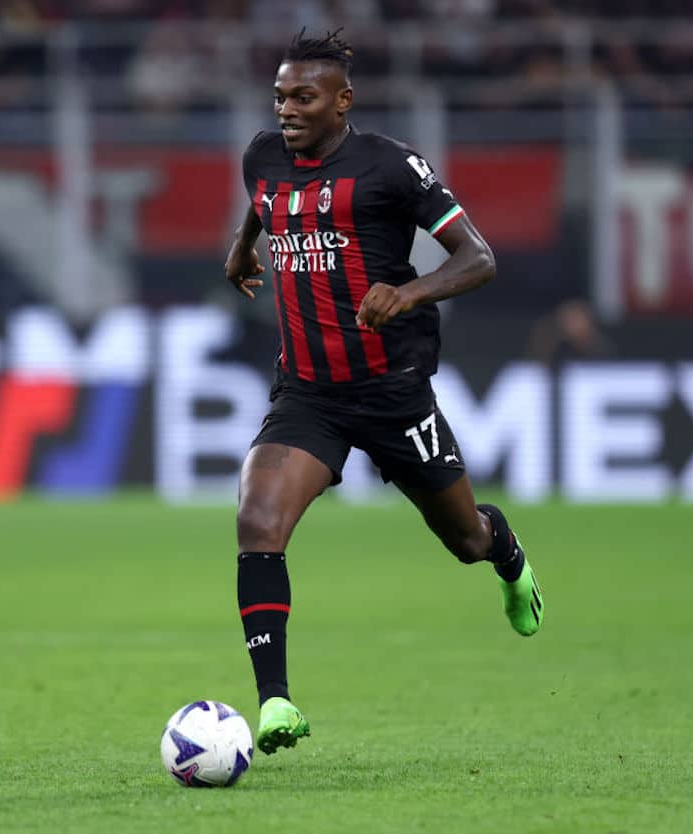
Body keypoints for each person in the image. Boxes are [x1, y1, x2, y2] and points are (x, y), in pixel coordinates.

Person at [222, 29, 544, 757]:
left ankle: (510, 557)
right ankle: (274, 702)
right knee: (257, 522)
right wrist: (245, 246)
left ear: (343, 102)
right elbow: (266, 203)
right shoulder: (261, 157)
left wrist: (410, 290)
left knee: (464, 539)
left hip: (392, 391)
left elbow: (478, 257)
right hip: (307, 394)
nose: (286, 110)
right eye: (279, 96)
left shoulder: (392, 168)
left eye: (303, 97)